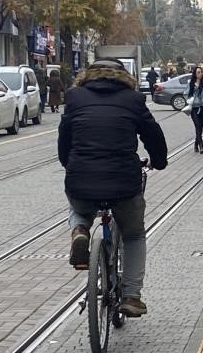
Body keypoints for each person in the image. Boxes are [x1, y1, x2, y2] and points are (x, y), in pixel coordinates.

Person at [58, 58, 168, 317]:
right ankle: (131, 296)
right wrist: (160, 162)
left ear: (88, 75)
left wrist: (70, 164)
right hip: (123, 183)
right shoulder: (133, 100)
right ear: (124, 76)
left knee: (78, 208)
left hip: (81, 178)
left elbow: (64, 139)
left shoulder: (74, 97)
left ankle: (80, 231)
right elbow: (153, 135)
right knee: (133, 234)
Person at [185, 67, 203, 154]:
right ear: (194, 74)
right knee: (197, 125)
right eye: (197, 72)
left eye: (200, 72)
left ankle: (196, 144)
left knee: (200, 127)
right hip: (194, 107)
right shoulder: (190, 83)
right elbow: (186, 93)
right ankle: (201, 145)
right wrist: (190, 99)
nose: (199, 74)